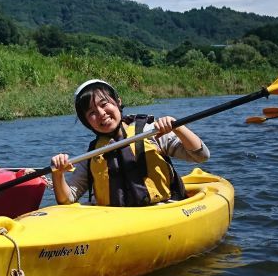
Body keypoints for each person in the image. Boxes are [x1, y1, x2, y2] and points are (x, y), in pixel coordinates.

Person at [50, 79, 210, 207]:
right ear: (87, 122)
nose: (100, 113)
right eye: (91, 112)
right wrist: (57, 174)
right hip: (117, 220)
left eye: (104, 104)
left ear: (118, 102)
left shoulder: (151, 132)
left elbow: (201, 156)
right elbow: (67, 199)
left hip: (161, 210)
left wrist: (177, 127)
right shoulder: (93, 153)